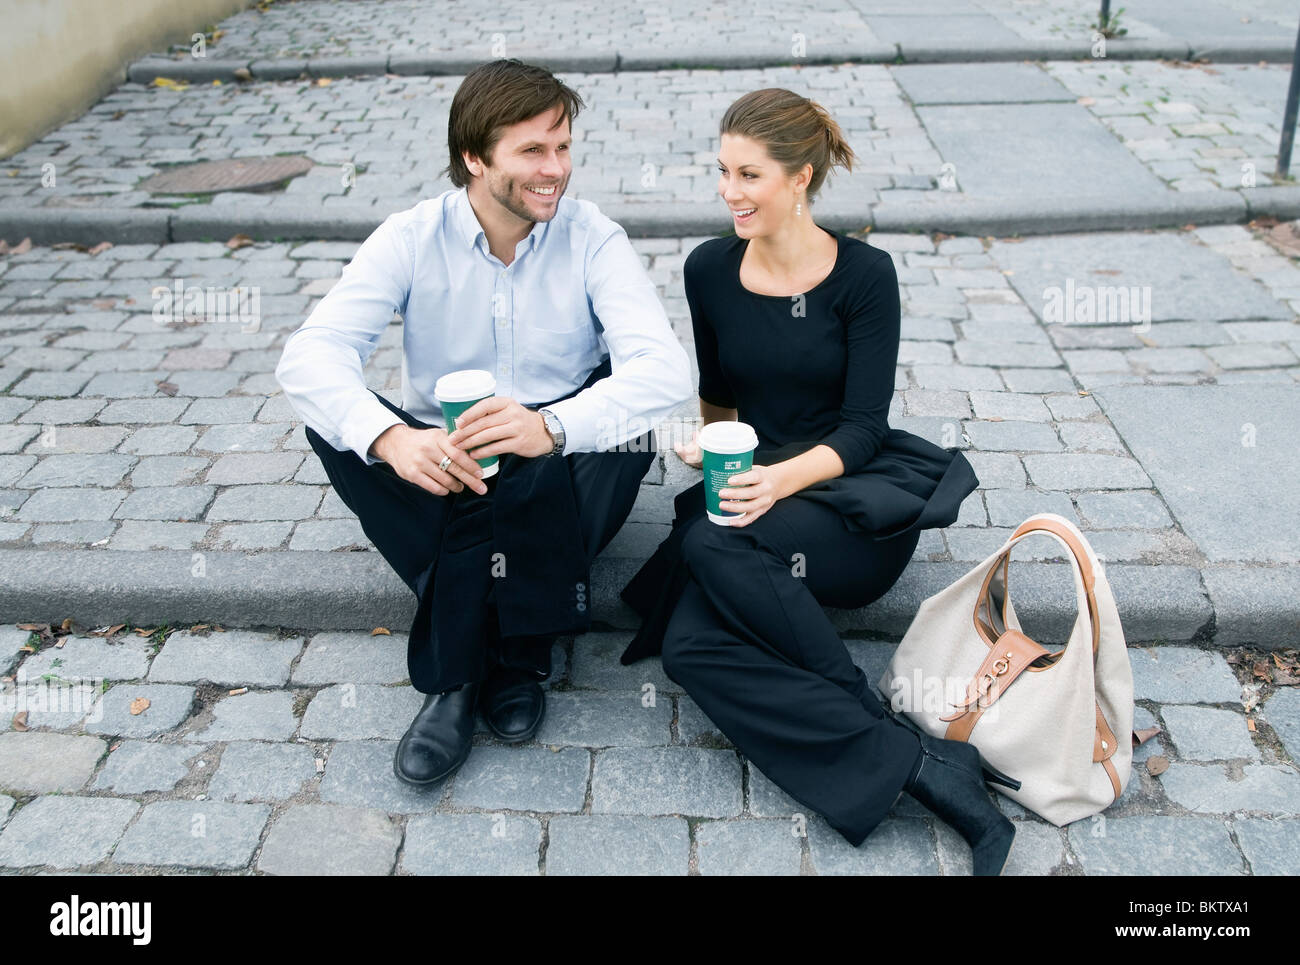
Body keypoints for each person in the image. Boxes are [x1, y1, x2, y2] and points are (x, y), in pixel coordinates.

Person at [618, 88, 1017, 875]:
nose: (728, 191)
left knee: (710, 538)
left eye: (748, 175)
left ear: (800, 177)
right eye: (722, 171)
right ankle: (916, 763)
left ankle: (884, 730)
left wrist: (773, 481)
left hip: (847, 503)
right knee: (694, 648)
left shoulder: (866, 276)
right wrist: (712, 445)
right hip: (750, 507)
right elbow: (720, 393)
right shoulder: (709, 268)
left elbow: (865, 427)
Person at [276, 59, 693, 788]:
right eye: (532, 151)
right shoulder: (411, 236)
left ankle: (455, 676)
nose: (555, 169)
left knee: (626, 425)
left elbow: (663, 371)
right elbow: (309, 355)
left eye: (562, 147)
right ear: (474, 157)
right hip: (447, 463)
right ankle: (519, 651)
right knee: (334, 421)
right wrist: (394, 440)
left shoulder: (592, 236)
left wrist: (551, 426)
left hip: (553, 462)